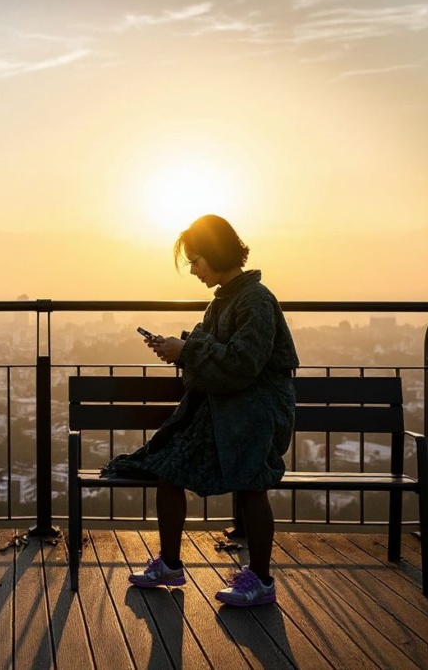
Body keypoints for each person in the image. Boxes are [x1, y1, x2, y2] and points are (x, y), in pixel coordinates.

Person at [125, 214, 298, 606]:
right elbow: (220, 360)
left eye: (196, 259)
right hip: (227, 409)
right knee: (168, 466)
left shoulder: (255, 300)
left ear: (216, 253)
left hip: (256, 411)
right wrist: (183, 351)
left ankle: (261, 579)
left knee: (252, 484)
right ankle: (170, 562)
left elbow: (244, 363)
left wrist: (187, 351)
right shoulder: (226, 300)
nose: (193, 269)